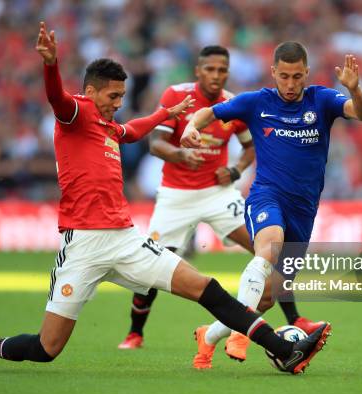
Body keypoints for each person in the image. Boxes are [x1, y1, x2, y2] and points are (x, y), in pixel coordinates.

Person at [0, 23, 330, 375]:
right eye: (112, 96)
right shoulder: (74, 114)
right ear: (90, 91)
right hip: (84, 245)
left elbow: (132, 130)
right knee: (47, 348)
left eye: (122, 96)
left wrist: (167, 112)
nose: (117, 102)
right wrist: (51, 64)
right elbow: (56, 97)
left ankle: (283, 349)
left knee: (205, 287)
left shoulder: (109, 126)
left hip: (126, 238)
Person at [118, 46, 324, 357]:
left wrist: (236, 169)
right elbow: (155, 144)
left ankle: (293, 318)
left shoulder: (233, 104)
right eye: (210, 69)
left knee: (270, 250)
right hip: (175, 196)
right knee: (153, 264)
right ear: (198, 71)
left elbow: (251, 148)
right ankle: (135, 332)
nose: (216, 75)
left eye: (222, 70)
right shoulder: (177, 96)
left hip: (218, 195)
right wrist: (179, 154)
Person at [181, 42, 362, 369]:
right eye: (283, 76)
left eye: (297, 76)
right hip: (266, 196)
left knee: (268, 298)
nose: (290, 84)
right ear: (273, 73)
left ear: (306, 74)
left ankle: (208, 336)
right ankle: (242, 336)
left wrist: (355, 90)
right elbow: (209, 112)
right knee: (268, 249)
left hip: (304, 209)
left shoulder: (322, 100)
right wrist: (189, 127)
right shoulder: (257, 102)